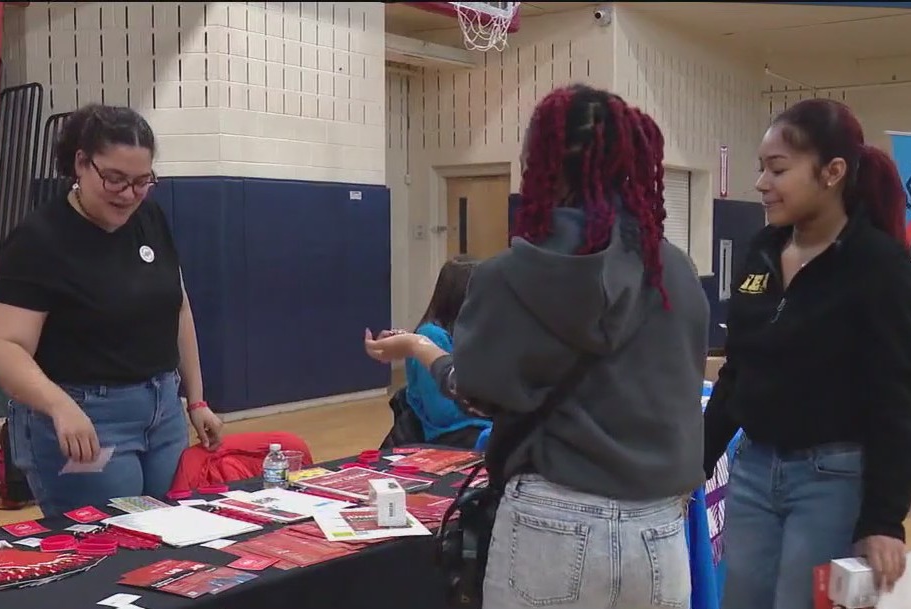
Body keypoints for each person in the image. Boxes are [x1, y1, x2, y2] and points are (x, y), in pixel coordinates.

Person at [364, 84, 709, 609]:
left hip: (553, 521)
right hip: (658, 531)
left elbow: (473, 392)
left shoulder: (510, 275)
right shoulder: (675, 274)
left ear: (540, 162)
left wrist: (418, 348)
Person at [704, 98, 911, 609]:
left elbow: (894, 398)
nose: (761, 183)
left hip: (832, 481)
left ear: (832, 172)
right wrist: (698, 460)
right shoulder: (761, 251)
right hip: (752, 471)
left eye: (778, 169)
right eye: (761, 169)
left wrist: (884, 519)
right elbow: (739, 370)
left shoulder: (877, 266)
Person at [0, 103, 224, 517]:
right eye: (115, 179)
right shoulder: (39, 240)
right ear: (81, 163)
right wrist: (59, 406)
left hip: (163, 412)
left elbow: (178, 307)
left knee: (172, 534)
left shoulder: (149, 217)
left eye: (142, 181)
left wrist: (196, 400)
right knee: (111, 541)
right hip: (86, 418)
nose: (128, 194)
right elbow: (2, 345)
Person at [404, 255, 489, 449]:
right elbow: (443, 414)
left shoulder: (475, 332)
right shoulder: (431, 335)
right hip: (452, 434)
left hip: (481, 425)